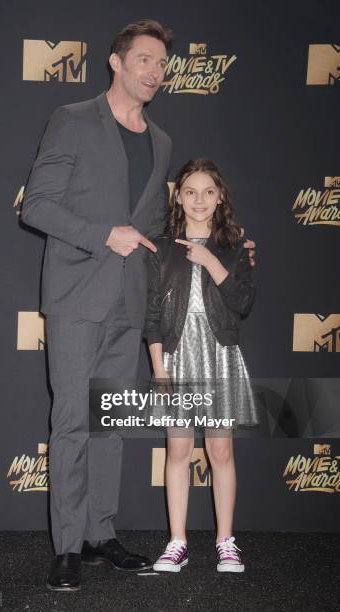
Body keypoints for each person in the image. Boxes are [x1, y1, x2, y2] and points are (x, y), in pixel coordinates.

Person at [21, 20, 174, 592]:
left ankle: (99, 534)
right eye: (144, 60)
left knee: (109, 425)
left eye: (161, 64)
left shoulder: (161, 141)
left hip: (129, 301)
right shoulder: (72, 120)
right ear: (116, 62)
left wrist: (216, 247)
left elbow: (155, 228)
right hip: (77, 295)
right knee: (71, 422)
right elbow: (36, 205)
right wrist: (100, 234)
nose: (155, 71)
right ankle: (66, 545)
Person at [145, 158, 259, 574]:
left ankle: (225, 542)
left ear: (220, 196)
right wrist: (159, 368)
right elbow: (151, 315)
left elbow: (243, 303)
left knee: (220, 450)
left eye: (208, 191)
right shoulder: (160, 246)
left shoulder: (235, 246)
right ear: (179, 196)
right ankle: (177, 542)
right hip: (176, 355)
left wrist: (211, 261)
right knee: (177, 449)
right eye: (190, 191)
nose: (199, 200)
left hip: (220, 354)